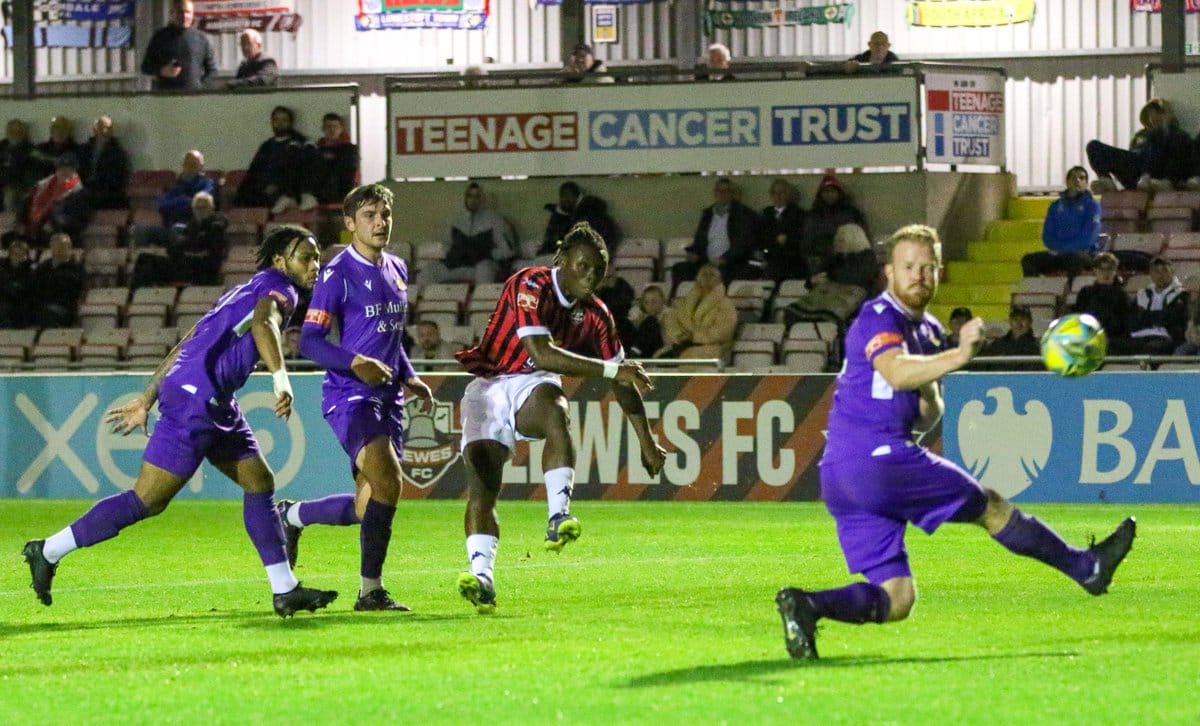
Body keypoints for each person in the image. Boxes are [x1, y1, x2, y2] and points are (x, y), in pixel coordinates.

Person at [774, 223, 1136, 660]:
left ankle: (808, 605)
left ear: (940, 273)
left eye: (928, 268)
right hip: (880, 461)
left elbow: (929, 412)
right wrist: (960, 356)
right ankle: (1087, 568)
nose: (918, 276)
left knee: (897, 598)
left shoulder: (925, 330)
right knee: (993, 507)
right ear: (889, 271)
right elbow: (894, 371)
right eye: (908, 266)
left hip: (842, 475)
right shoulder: (878, 315)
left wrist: (932, 380)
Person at [21, 225, 337, 618]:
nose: (315, 266)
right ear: (279, 261)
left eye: (318, 258)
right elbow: (264, 324)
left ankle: (284, 589)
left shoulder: (245, 288)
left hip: (209, 398)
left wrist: (147, 397)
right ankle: (47, 551)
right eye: (306, 258)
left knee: (259, 482)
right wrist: (280, 378)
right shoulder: (280, 292)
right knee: (147, 500)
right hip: (197, 401)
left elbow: (188, 342)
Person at [451, 221, 666, 613]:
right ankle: (482, 577)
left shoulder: (597, 316)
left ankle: (558, 517)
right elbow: (542, 351)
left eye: (597, 271)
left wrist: (647, 442)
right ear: (562, 260)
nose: (590, 276)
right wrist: (614, 370)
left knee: (556, 410)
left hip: (533, 383)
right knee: (483, 483)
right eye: (583, 265)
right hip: (489, 384)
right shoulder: (530, 284)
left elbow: (621, 382)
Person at [281, 183, 432, 612]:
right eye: (369, 215)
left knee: (370, 506)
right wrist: (355, 363)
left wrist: (409, 375)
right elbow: (309, 341)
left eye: (384, 214)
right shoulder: (336, 273)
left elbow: (390, 336)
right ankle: (370, 591)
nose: (380, 222)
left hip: (388, 398)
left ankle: (291, 516)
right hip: (349, 395)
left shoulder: (398, 268)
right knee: (390, 481)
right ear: (350, 224)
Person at [670, 177, 763, 293]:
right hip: (706, 262)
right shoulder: (708, 214)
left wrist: (724, 259)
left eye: (726, 191)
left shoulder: (743, 214)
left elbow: (742, 244)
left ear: (732, 194)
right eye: (719, 191)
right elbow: (700, 239)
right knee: (680, 269)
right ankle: (676, 305)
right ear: (714, 193)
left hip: (731, 263)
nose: (722, 194)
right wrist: (693, 253)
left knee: (722, 273)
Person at [1087, 98, 1191, 193]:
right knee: (1093, 146)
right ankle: (1106, 181)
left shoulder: (1179, 135)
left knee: (1159, 134)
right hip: (1135, 166)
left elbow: (1177, 161)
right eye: (1151, 113)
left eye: (1160, 112)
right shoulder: (1140, 135)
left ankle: (1148, 178)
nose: (1155, 116)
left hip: (1154, 173)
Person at [420, 181, 514, 285]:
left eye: (477, 196)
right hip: (456, 264)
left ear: (482, 198)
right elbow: (446, 246)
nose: (473, 200)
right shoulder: (454, 220)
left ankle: (481, 300)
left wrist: (487, 254)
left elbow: (508, 250)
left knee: (485, 270)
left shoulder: (495, 221)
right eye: (470, 196)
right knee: (428, 272)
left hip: (481, 265)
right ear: (465, 197)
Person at [1021, 166, 1102, 278]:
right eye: (1073, 177)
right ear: (1067, 182)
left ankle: (1070, 293)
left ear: (1086, 183)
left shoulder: (1093, 206)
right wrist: (1060, 250)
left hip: (1085, 254)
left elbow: (1089, 237)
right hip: (1059, 253)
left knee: (1072, 258)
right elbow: (1047, 236)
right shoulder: (1055, 206)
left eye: (1082, 178)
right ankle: (1033, 294)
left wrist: (1065, 249)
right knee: (1028, 260)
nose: (1077, 180)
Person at [235, 106, 317, 214]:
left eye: (284, 120)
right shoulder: (266, 146)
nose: (280, 123)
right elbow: (254, 171)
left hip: (284, 189)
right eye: (276, 120)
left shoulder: (300, 144)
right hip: (262, 189)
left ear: (290, 122)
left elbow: (298, 171)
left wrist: (277, 185)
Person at [658, 263, 738, 362]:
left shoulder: (726, 305)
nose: (707, 277)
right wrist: (679, 336)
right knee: (660, 357)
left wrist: (694, 337)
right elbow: (672, 321)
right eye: (704, 274)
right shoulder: (683, 303)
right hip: (682, 345)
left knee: (687, 357)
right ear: (697, 278)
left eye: (712, 275)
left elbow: (724, 332)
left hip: (713, 348)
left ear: (720, 280)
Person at [1110, 255, 1188, 356]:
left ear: (1172, 273)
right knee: (1111, 345)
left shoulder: (1182, 295)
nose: (1160, 274)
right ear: (1150, 274)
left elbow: (1170, 319)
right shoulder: (1142, 294)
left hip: (1165, 338)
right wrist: (1157, 317)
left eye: (1164, 270)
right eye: (1156, 271)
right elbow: (1132, 320)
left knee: (1151, 349)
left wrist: (1145, 316)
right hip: (1139, 337)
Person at [801, 173, 868, 280]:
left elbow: (860, 239)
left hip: (847, 263)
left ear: (839, 193)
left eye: (832, 191)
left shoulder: (851, 213)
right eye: (826, 191)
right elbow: (808, 241)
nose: (829, 195)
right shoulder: (813, 215)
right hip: (820, 264)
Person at [141, 0, 216, 92]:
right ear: (172, 13)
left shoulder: (201, 39)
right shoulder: (160, 37)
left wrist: (200, 86)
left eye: (188, 12)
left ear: (192, 15)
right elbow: (145, 67)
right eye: (180, 12)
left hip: (194, 98)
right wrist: (162, 71)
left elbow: (212, 70)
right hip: (166, 98)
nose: (184, 16)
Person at [20, 152, 90, 245]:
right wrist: (22, 222)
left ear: (75, 170)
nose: (64, 171)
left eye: (68, 168)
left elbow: (79, 220)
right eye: (61, 168)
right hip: (37, 229)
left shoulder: (79, 193)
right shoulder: (42, 186)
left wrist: (54, 224)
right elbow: (27, 205)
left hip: (64, 234)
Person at [539, 181, 620, 257]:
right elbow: (552, 238)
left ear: (576, 197)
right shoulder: (560, 215)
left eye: (568, 196)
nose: (565, 200)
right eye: (563, 196)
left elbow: (605, 237)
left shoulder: (590, 213)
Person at [167, 191, 228, 286]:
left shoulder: (217, 225)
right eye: (197, 208)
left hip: (205, 268)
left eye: (204, 207)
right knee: (146, 260)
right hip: (187, 263)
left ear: (212, 209)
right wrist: (194, 247)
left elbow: (208, 247)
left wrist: (188, 245)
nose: (200, 211)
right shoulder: (191, 225)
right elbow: (175, 247)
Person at [77, 115, 131, 210]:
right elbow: (76, 172)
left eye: (106, 128)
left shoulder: (117, 153)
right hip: (86, 191)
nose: (103, 132)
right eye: (100, 128)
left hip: (107, 194)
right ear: (94, 130)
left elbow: (116, 179)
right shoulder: (84, 150)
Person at [1072, 252, 1129, 340]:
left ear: (1115, 271)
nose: (1106, 273)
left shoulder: (1121, 295)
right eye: (1101, 269)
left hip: (1112, 337)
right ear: (1095, 270)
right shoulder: (1085, 292)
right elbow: (1079, 316)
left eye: (1110, 269)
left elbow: (1123, 323)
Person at [32, 232, 85, 327]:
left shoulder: (76, 268)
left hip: (65, 307)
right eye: (54, 246)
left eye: (62, 246)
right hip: (41, 304)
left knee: (47, 312)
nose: (58, 249)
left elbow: (74, 290)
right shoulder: (43, 267)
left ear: (69, 248)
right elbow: (34, 286)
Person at [760, 178, 807, 282]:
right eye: (775, 193)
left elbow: (801, 237)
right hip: (769, 256)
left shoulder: (799, 214)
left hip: (791, 258)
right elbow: (761, 236)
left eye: (782, 193)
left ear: (788, 195)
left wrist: (788, 239)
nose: (778, 196)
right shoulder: (766, 213)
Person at [309, 113, 360, 205]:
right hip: (316, 189)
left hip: (338, 189)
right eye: (328, 127)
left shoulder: (348, 149)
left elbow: (345, 171)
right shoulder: (315, 149)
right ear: (323, 129)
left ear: (341, 129)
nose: (332, 130)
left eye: (335, 126)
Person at [978, 304, 1041, 370]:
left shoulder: (1038, 347)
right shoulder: (997, 345)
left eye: (1023, 319)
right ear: (1010, 321)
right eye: (1015, 319)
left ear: (1030, 321)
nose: (1019, 323)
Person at [0, 119, 36, 212]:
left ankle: (9, 223)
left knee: (9, 195)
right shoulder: (2, 146)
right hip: (2, 182)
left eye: (18, 132)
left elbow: (30, 173)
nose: (14, 134)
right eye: (11, 131)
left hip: (18, 185)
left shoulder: (30, 149)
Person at [0, 236, 37, 328]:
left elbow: (32, 288)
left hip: (24, 302)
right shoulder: (2, 268)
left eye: (21, 254)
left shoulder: (32, 269)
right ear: (10, 254)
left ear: (26, 255)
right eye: (15, 254)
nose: (17, 257)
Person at [30, 115, 80, 180]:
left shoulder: (77, 150)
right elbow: (32, 168)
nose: (59, 132)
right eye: (56, 129)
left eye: (63, 130)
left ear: (69, 132)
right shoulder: (41, 148)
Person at [629, 284, 666, 358]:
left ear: (663, 301)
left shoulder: (669, 315)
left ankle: (633, 355)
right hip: (644, 350)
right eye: (646, 303)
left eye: (654, 301)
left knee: (651, 321)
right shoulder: (643, 317)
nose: (650, 305)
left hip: (661, 351)